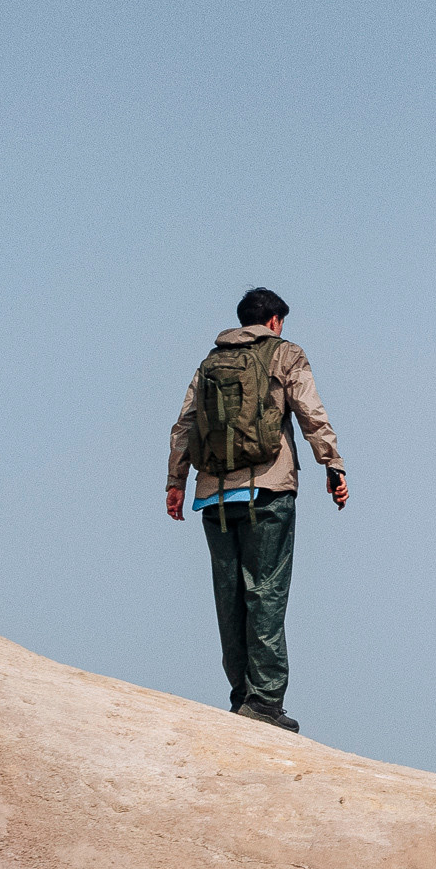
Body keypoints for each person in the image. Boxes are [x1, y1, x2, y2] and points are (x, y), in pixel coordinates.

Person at [166, 288, 349, 733]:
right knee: (265, 593)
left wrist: (176, 480)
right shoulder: (285, 354)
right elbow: (310, 411)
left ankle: (240, 696)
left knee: (229, 600)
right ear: (273, 321)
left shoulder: (211, 362)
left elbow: (185, 423)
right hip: (268, 491)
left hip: (213, 496)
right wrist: (333, 463)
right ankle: (265, 701)